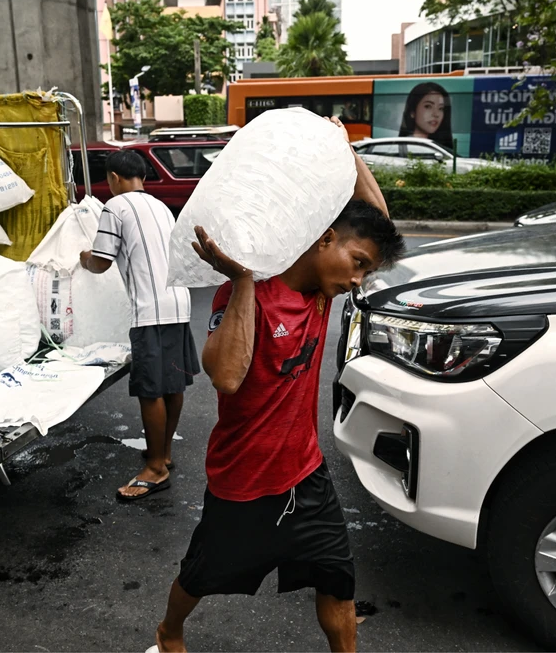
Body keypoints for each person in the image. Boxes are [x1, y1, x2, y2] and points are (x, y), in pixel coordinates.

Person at [150, 117, 406, 653]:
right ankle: (169, 632)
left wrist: (347, 151)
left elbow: (376, 222)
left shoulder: (322, 292)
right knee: (200, 577)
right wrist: (241, 279)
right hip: (243, 484)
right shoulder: (251, 294)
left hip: (307, 477)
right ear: (323, 239)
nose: (358, 280)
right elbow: (225, 375)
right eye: (356, 264)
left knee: (338, 581)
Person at [80, 149, 199, 502]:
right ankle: (162, 454)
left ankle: (156, 469)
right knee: (173, 383)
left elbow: (100, 262)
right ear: (142, 177)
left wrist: (83, 258)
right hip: (179, 303)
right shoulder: (161, 207)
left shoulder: (114, 207)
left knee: (151, 389)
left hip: (150, 311)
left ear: (114, 178)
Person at [399, 81, 454, 151]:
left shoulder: (440, 148)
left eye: (441, 108)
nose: (436, 114)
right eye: (428, 106)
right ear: (412, 112)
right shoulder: (403, 146)